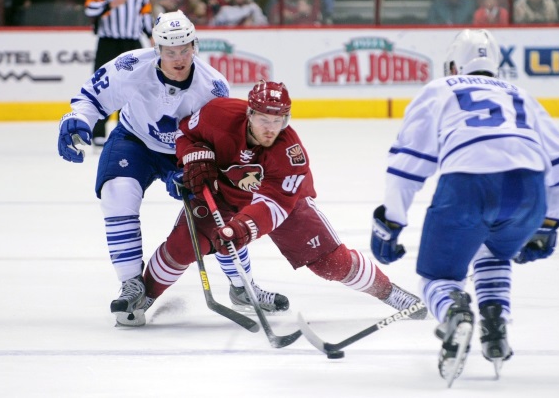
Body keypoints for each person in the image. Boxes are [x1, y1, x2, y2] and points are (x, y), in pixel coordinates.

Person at [370, 29, 559, 386]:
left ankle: (455, 312)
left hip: (468, 185)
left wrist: (391, 221)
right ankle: (495, 325)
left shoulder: (439, 90)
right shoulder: (523, 96)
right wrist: (548, 225)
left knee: (439, 277)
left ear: (454, 64)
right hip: (529, 191)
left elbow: (407, 165)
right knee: (495, 254)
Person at [57, 10, 288, 327]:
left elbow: (215, 135)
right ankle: (131, 284)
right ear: (157, 49)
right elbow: (91, 97)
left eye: (184, 49)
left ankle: (242, 286)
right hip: (134, 141)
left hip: (187, 153)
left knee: (219, 212)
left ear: (195, 45)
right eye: (170, 51)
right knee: (117, 194)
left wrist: (195, 163)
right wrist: (77, 120)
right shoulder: (130, 66)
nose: (178, 58)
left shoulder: (213, 86)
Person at [140, 81, 429, 322]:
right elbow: (185, 133)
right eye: (264, 119)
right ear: (249, 113)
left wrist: (241, 228)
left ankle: (390, 292)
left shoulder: (290, 154)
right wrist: (193, 154)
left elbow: (275, 206)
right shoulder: (220, 114)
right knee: (182, 247)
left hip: (286, 204)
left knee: (331, 263)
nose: (270, 128)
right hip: (224, 192)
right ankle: (142, 298)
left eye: (278, 121)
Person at [84, 0, 153, 147]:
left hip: (132, 41)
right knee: (104, 84)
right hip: (109, 41)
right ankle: (98, 131)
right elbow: (89, 7)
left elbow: (145, 10)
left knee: (133, 85)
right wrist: (109, 4)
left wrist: (151, 34)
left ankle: (127, 129)